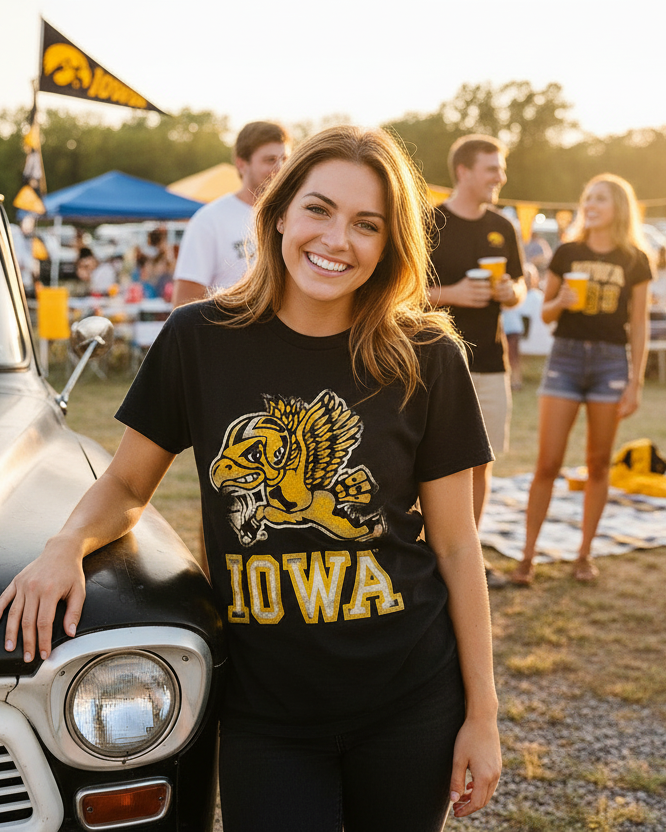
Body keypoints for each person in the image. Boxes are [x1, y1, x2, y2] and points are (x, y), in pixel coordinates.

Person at [0, 126, 501, 831]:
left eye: (368, 224)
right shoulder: (199, 338)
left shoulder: (427, 354)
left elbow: (456, 548)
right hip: (267, 716)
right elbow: (126, 485)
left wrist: (482, 714)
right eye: (319, 209)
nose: (337, 239)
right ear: (280, 212)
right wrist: (65, 545)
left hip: (411, 703)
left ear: (391, 243)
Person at [511, 173, 653, 585]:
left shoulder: (635, 259)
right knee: (548, 463)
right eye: (587, 198)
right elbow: (546, 315)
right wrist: (560, 300)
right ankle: (527, 556)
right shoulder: (568, 252)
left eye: (601, 199)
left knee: (597, 464)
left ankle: (584, 554)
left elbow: (639, 325)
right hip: (566, 359)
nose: (590, 205)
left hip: (611, 363)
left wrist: (635, 382)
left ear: (618, 208)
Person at [429, 134, 526, 587]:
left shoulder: (503, 225)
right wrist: (450, 295)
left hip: (489, 361)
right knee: (426, 465)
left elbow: (521, 283)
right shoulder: (429, 222)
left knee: (479, 463)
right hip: (432, 362)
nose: (500, 177)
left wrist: (513, 292)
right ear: (464, 171)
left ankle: (467, 557)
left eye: (501, 168)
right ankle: (425, 556)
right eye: (493, 168)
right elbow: (398, 291)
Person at [171, 121, 291, 306]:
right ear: (242, 164)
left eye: (285, 159)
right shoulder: (209, 220)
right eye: (270, 160)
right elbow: (184, 303)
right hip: (228, 331)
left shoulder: (294, 216)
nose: (280, 168)